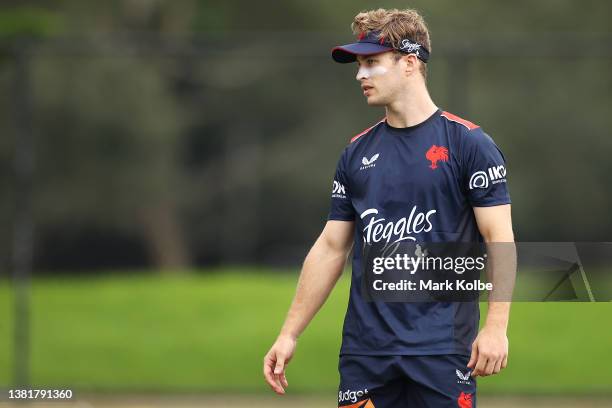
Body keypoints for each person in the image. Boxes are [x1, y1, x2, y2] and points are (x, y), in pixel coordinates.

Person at [263, 8, 515, 408]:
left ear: (410, 63)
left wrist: (496, 328)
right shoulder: (356, 153)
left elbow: (498, 237)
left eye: (371, 63)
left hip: (442, 353)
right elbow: (331, 247)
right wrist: (289, 333)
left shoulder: (470, 145)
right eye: (359, 65)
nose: (359, 75)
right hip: (366, 356)